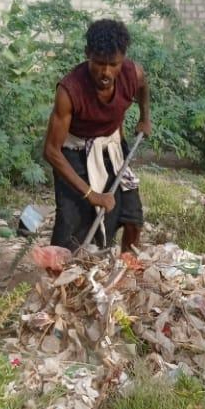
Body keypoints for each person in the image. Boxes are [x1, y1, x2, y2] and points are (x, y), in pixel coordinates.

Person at [44, 19, 151, 253]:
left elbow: (143, 87)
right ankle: (61, 280)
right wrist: (91, 194)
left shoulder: (133, 74)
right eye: (99, 63)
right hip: (74, 153)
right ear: (87, 54)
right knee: (70, 230)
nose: (106, 72)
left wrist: (145, 118)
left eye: (113, 64)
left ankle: (125, 273)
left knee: (133, 219)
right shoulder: (69, 90)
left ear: (123, 58)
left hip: (112, 146)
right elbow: (51, 151)